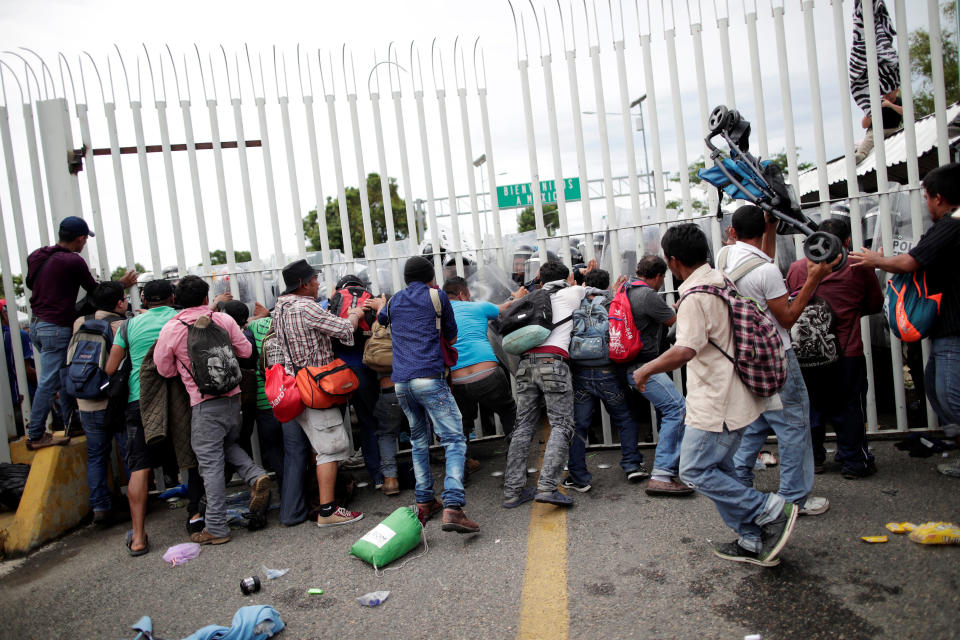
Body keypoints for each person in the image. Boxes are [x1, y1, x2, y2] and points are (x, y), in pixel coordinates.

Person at [634, 223, 799, 567]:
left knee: (694, 470)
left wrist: (646, 369)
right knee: (721, 471)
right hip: (738, 396)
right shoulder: (721, 280)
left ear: (673, 261)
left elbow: (685, 349)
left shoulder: (695, 297)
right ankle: (752, 539)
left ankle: (769, 509)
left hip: (715, 405)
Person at [720, 205, 833, 517]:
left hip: (743, 356)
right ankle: (794, 499)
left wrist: (767, 230)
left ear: (732, 232)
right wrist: (814, 278)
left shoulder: (725, 257)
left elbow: (762, 261)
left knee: (756, 421)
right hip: (777, 357)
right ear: (764, 229)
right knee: (794, 425)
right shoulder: (767, 272)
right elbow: (787, 319)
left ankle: (740, 480)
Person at [849, 162, 960, 478]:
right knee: (937, 390)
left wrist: (875, 260)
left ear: (938, 197)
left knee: (950, 396)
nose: (926, 204)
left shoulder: (953, 224)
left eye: (926, 198)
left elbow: (911, 261)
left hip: (954, 328)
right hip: (945, 328)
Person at [153, 275, 271, 545]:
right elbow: (245, 352)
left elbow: (164, 369)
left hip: (204, 404)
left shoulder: (173, 328)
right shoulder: (224, 320)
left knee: (211, 466)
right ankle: (255, 475)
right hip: (234, 399)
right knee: (228, 446)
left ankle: (216, 527)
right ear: (206, 299)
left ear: (176, 301)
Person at [373, 256, 479, 533]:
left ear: (407, 279)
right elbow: (452, 338)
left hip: (401, 384)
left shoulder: (394, 300)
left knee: (419, 441)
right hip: (429, 378)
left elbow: (381, 318)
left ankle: (424, 502)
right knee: (454, 439)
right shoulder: (437, 296)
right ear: (431, 277)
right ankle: (454, 506)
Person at [24, 216, 137, 450]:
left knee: (65, 372)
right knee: (50, 378)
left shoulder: (37, 256)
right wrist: (121, 285)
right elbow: (95, 293)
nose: (85, 243)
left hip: (36, 324)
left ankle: (72, 422)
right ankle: (35, 434)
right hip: (56, 326)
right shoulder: (73, 261)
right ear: (80, 239)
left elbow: (29, 283)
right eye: (85, 238)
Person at [786, 218, 884, 478]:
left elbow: (791, 305)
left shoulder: (797, 268)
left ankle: (815, 459)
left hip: (807, 354)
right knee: (850, 407)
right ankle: (854, 461)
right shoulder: (859, 266)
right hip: (847, 351)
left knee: (812, 407)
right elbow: (875, 303)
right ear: (847, 242)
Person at [271, 260, 365, 528]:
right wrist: (356, 314)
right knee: (331, 447)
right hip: (316, 385)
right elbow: (345, 329)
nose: (316, 284)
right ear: (302, 284)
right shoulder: (306, 307)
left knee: (314, 447)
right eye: (313, 279)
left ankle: (316, 504)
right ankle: (328, 510)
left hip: (294, 384)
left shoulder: (280, 308)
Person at [502, 260, 600, 509]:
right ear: (567, 277)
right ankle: (547, 487)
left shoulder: (532, 297)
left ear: (540, 279)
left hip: (524, 366)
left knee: (523, 426)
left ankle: (512, 491)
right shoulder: (573, 291)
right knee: (562, 424)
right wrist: (585, 279)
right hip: (553, 363)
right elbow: (599, 292)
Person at [104, 279, 179, 555]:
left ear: (145, 301)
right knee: (193, 457)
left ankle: (137, 537)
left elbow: (111, 369)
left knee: (139, 466)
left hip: (140, 401)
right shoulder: (180, 318)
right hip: (178, 399)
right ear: (172, 298)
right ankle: (199, 519)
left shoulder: (127, 326)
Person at [563, 268, 652, 494]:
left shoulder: (575, 302)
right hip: (608, 372)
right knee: (624, 418)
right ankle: (632, 465)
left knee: (579, 425)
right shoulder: (612, 301)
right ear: (607, 283)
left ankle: (578, 476)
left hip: (581, 373)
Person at [621, 256, 691, 496]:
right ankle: (662, 473)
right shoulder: (648, 295)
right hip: (643, 366)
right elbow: (677, 323)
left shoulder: (625, 290)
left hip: (625, 364)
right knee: (677, 409)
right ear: (660, 276)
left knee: (669, 409)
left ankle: (674, 463)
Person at [443, 276, 525, 471]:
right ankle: (516, 463)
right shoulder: (478, 307)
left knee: (462, 421)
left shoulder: (439, 315)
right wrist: (518, 296)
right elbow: (506, 308)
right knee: (508, 412)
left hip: (457, 379)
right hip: (487, 373)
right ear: (462, 294)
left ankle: (461, 467)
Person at [72, 281, 129, 525]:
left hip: (86, 402)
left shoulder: (79, 323)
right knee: (129, 452)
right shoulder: (120, 325)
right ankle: (140, 498)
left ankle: (100, 508)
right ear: (119, 302)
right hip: (114, 402)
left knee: (96, 455)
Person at [329, 275, 384, 489]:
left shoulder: (331, 302)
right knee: (369, 422)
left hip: (336, 372)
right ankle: (378, 476)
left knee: (333, 426)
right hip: (364, 370)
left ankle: (332, 483)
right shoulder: (369, 301)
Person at [2, 300, 36, 437]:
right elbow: (27, 370)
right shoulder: (18, 335)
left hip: (6, 404)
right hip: (24, 399)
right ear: (4, 315)